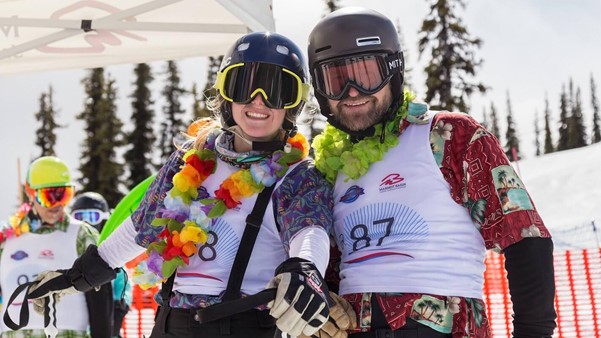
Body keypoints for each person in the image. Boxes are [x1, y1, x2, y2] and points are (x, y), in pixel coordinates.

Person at [22, 32, 341, 338]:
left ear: (294, 104)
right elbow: (141, 228)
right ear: (225, 95)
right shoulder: (190, 160)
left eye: (278, 90)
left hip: (245, 324)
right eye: (243, 86)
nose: (259, 101)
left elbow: (309, 232)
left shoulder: (298, 177)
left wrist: (305, 269)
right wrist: (77, 276)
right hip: (171, 324)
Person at [307, 7, 557, 338]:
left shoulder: (448, 136)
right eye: (336, 80)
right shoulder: (329, 167)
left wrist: (533, 332)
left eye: (366, 75)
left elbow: (525, 236)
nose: (352, 92)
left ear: (393, 70)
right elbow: (326, 269)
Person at [0, 156, 113, 338]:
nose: (57, 205)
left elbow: (101, 297)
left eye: (64, 195)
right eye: (48, 197)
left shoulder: (82, 234)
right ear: (30, 192)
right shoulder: (5, 237)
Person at [71, 192, 132, 338]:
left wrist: (119, 305)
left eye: (93, 216)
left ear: (104, 219)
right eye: (80, 217)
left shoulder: (111, 253)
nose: (86, 223)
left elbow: (123, 283)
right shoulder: (70, 249)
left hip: (106, 320)